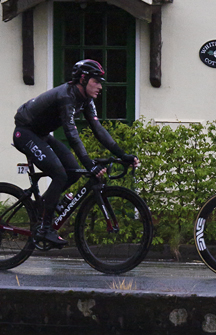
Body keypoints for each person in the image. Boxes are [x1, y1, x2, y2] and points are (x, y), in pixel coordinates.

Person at [12, 59, 138, 247]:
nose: (100, 87)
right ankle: (45, 229)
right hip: (25, 133)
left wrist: (123, 155)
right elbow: (71, 134)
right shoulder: (66, 96)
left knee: (73, 170)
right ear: (83, 79)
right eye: (96, 81)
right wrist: (89, 163)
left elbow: (98, 130)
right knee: (59, 173)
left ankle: (44, 207)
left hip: (42, 135)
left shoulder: (86, 100)